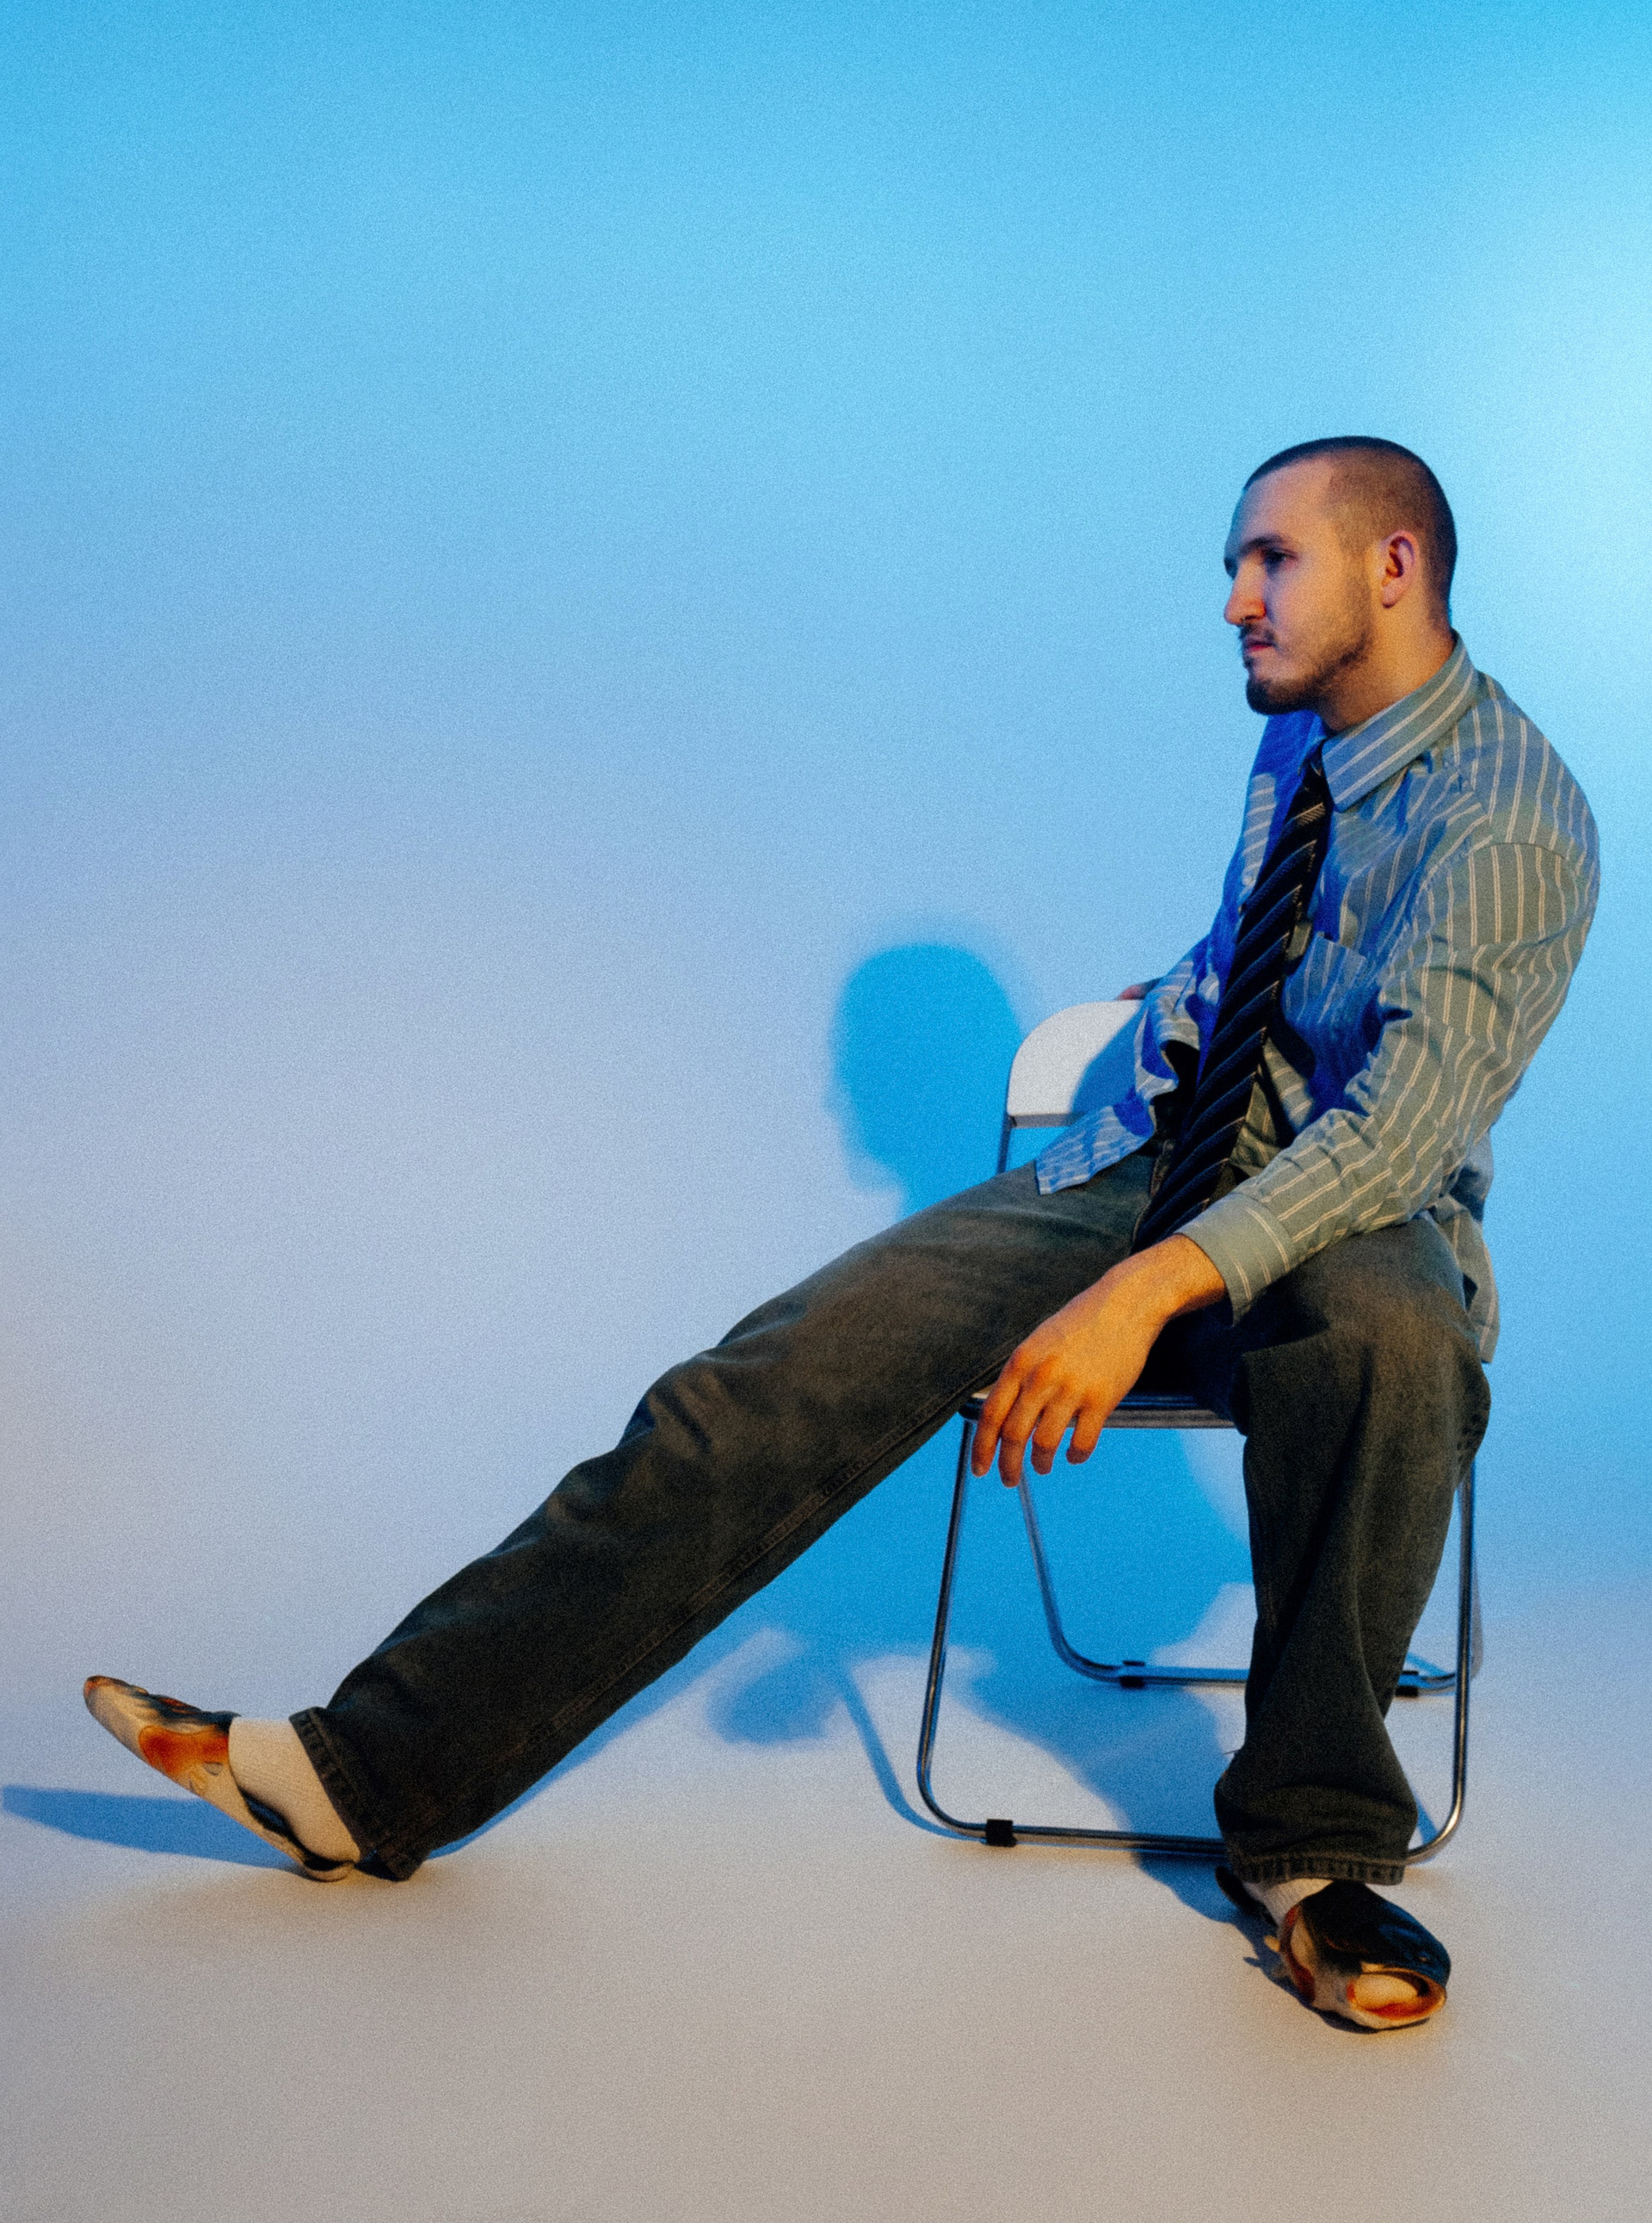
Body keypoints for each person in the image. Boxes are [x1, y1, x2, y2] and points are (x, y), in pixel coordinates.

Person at [85, 436, 1598, 2030]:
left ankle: (1314, 1850)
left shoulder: (1509, 821)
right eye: (1236, 564)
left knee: (1392, 1334)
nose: (1233, 599)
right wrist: (1173, 1020)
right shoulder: (1304, 736)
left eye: (1269, 559)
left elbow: (1395, 1132)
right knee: (767, 1376)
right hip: (1165, 1164)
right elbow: (1265, 946)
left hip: (1353, 1213)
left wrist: (1138, 1295)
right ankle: (367, 1776)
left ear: (1392, 566)